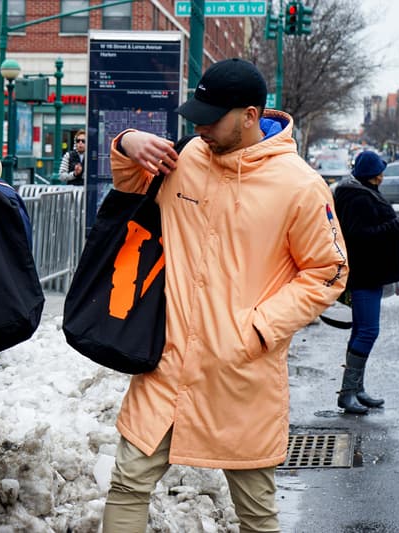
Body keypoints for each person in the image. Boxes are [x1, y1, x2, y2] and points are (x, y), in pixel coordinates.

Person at [100, 58, 348, 532]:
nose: (200, 125)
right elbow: (128, 186)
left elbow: (328, 272)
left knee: (255, 510)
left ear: (251, 115)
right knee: (128, 483)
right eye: (197, 115)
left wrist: (257, 329)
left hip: (241, 372)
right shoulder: (187, 156)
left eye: (212, 117)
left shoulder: (300, 185)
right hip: (168, 364)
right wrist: (127, 142)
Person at [332, 151, 399, 414]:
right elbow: (361, 235)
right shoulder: (357, 197)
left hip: (369, 273)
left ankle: (357, 389)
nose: (383, 175)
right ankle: (347, 394)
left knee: (361, 330)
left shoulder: (359, 190)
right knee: (368, 331)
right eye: (381, 171)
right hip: (364, 274)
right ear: (374, 175)